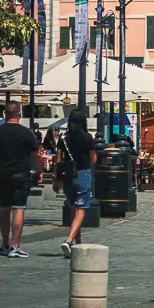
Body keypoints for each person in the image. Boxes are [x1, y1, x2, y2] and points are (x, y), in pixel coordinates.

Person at [0, 101, 39, 259]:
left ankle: (4, 244)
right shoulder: (26, 133)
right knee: (19, 209)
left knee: (4, 208)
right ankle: (15, 245)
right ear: (20, 113)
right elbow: (36, 154)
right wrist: (39, 171)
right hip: (21, 174)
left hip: (2, 174)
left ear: (5, 114)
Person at [60, 108, 97, 258]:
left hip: (67, 175)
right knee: (81, 209)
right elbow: (93, 159)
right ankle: (69, 241)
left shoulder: (63, 138)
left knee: (74, 210)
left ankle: (78, 244)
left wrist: (56, 179)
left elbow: (57, 160)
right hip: (82, 174)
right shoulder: (87, 137)